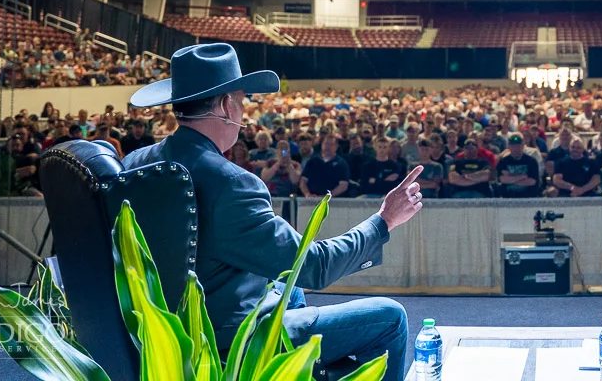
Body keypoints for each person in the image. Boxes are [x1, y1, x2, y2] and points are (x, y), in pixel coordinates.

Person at [123, 44, 422, 381]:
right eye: (242, 101)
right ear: (226, 105)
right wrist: (384, 221)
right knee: (390, 317)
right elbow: (313, 266)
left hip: (157, 336)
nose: (243, 112)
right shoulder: (232, 183)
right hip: (227, 345)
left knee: (286, 287)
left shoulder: (134, 163)